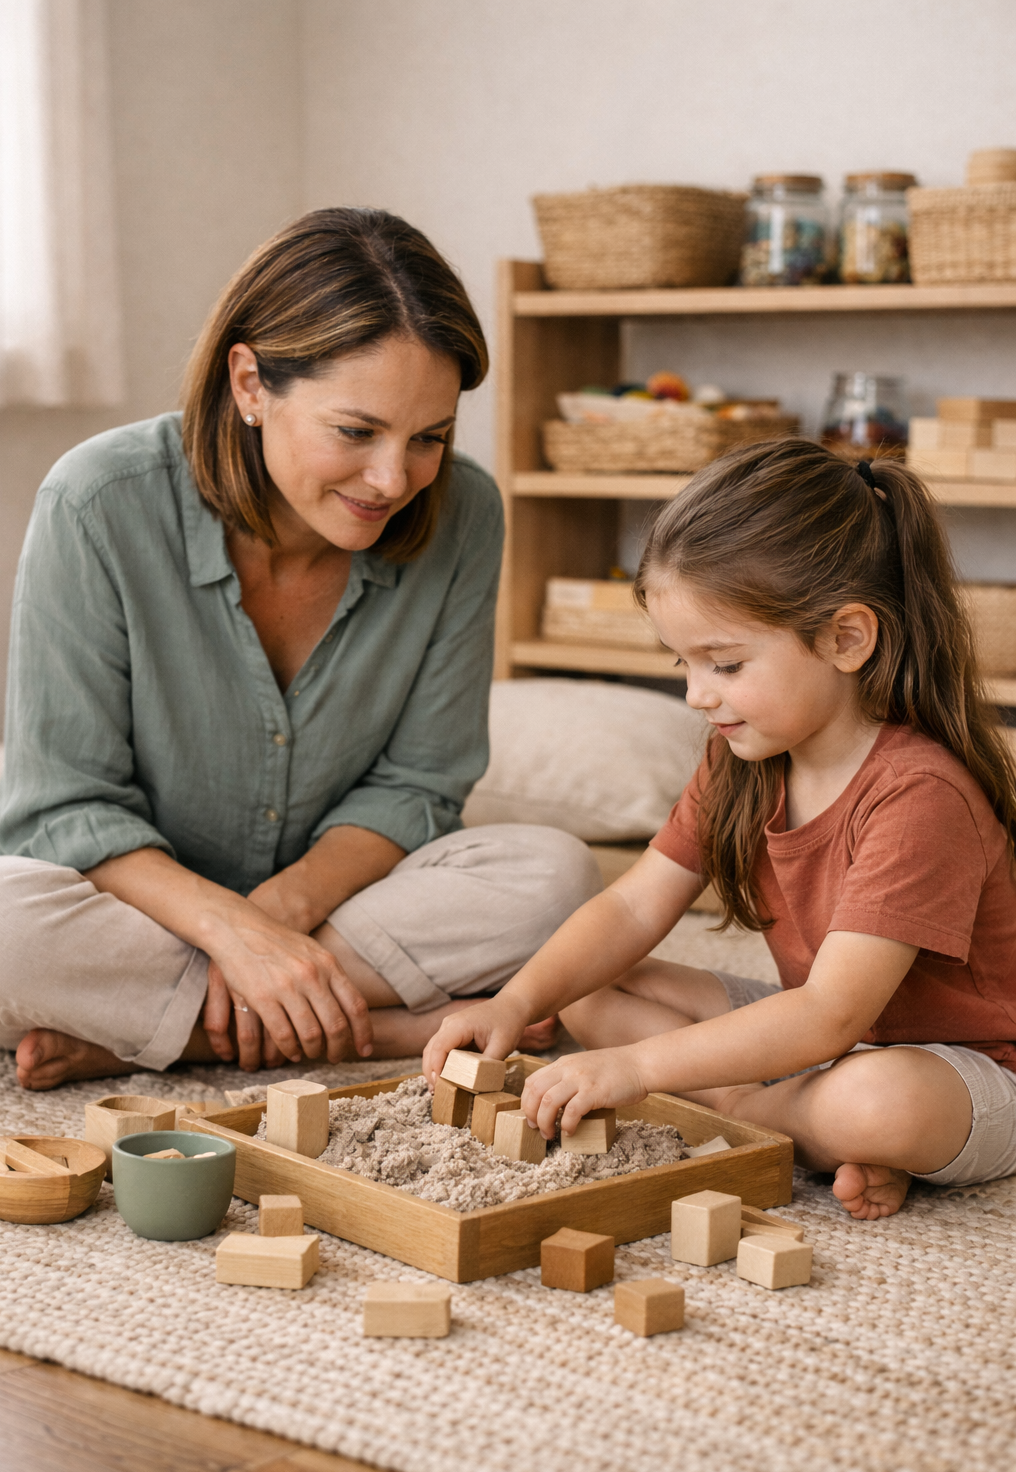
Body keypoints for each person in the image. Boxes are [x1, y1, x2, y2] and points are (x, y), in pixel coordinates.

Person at [0, 207, 599, 1091]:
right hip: (133, 904)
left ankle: (170, 1033)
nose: (394, 479)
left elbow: (419, 785)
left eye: (429, 437)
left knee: (559, 877)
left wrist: (276, 919)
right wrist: (230, 934)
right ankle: (376, 1028)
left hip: (338, 907)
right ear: (249, 384)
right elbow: (62, 809)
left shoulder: (465, 514)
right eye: (356, 432)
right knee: (1, 922)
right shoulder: (96, 501)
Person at [424, 439, 1016, 1220]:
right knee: (592, 989)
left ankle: (768, 1119)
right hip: (832, 1036)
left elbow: (829, 1013)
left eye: (725, 664)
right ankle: (790, 1119)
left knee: (879, 1104)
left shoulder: (920, 792)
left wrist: (635, 1071)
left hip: (964, 1067)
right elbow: (634, 908)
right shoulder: (743, 753)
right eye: (684, 666)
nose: (701, 695)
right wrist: (516, 998)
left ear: (847, 639)